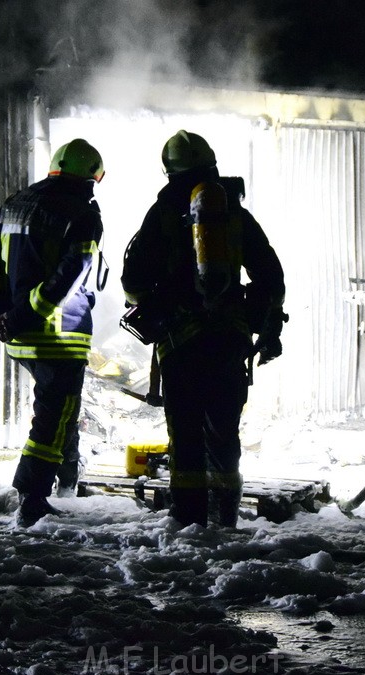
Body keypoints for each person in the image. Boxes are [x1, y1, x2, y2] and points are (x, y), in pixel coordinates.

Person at [121, 130, 286, 528]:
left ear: (169, 173)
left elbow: (132, 283)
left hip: (181, 344)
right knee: (225, 433)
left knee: (187, 435)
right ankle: (225, 516)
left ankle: (189, 518)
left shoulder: (160, 215)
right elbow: (271, 276)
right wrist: (267, 329)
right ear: (212, 164)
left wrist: (161, 302)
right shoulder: (233, 214)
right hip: (230, 341)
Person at [0, 138, 105, 527]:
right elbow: (69, 275)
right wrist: (24, 316)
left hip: (18, 331)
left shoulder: (15, 203)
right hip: (56, 335)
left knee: (61, 408)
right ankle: (32, 494)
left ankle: (67, 480)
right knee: (55, 413)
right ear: (92, 177)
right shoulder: (83, 213)